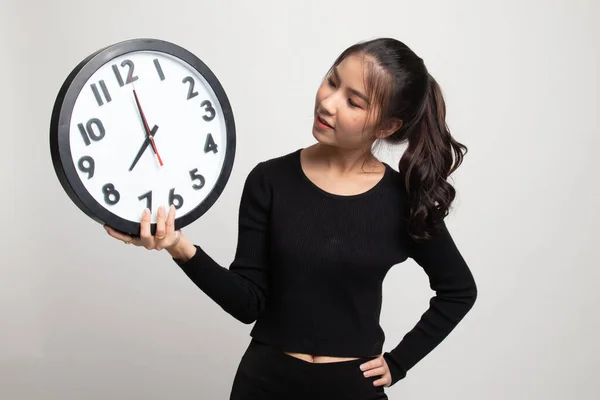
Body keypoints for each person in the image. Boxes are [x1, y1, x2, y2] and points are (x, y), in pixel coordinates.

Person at [104, 37, 478, 400]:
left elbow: (458, 290)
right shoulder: (269, 180)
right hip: (264, 383)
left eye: (353, 102)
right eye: (332, 81)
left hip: (351, 389)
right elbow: (247, 304)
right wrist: (178, 246)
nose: (328, 103)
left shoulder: (402, 201)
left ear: (387, 127)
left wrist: (399, 363)